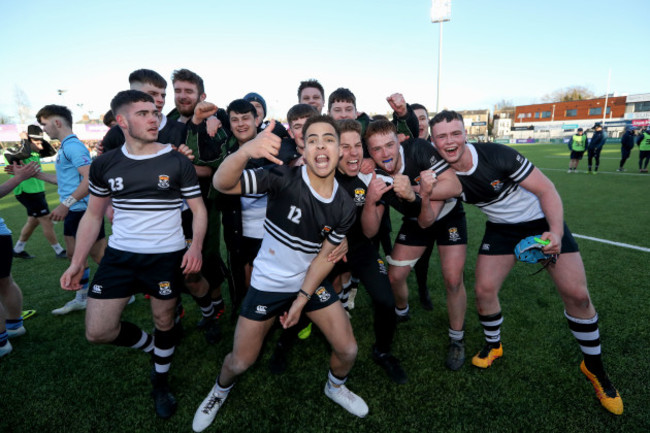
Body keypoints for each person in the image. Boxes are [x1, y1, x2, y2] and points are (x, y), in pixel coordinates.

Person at [429, 109, 623, 415]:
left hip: (540, 222)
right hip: (501, 229)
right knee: (484, 290)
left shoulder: (498, 155)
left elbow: (547, 189)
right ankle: (494, 345)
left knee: (578, 295)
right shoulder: (442, 173)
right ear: (434, 141)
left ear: (466, 134)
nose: (449, 141)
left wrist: (555, 233)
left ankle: (596, 369)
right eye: (442, 136)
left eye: (455, 133)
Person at [192, 115, 367, 433]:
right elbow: (221, 183)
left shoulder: (344, 205)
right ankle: (220, 390)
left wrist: (301, 299)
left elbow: (325, 258)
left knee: (348, 349)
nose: (320, 146)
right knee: (240, 362)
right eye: (312, 139)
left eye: (328, 139)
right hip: (267, 284)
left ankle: (335, 386)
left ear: (340, 149)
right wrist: (245, 152)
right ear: (303, 146)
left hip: (308, 283)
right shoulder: (283, 175)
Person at [60, 90, 207, 419]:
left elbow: (198, 210)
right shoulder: (105, 164)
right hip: (120, 256)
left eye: (155, 112)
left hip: (165, 256)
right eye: (143, 113)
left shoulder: (176, 160)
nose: (153, 118)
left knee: (164, 319)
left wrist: (194, 246)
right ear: (122, 121)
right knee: (98, 331)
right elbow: (94, 215)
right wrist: (77, 261)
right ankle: (153, 348)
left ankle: (161, 379)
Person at [364, 119, 467, 370]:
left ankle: (457, 339)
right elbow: (373, 229)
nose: (385, 154)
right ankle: (402, 311)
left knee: (453, 279)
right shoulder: (372, 173)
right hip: (415, 219)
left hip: (447, 216)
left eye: (389, 145)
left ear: (398, 141)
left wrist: (415, 191)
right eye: (376, 149)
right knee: (395, 276)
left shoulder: (418, 149)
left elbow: (454, 185)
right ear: (369, 152)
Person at [34, 104, 107, 315]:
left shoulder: (73, 147)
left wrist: (66, 204)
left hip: (83, 210)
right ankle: (82, 297)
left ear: (57, 122)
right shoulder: (66, 147)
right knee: (77, 255)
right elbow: (66, 181)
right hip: (78, 209)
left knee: (98, 256)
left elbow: (90, 177)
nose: (44, 129)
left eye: (45, 124)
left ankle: (125, 291)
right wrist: (35, 174)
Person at [5, 125, 66, 260]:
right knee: (46, 220)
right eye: (37, 143)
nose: (41, 146)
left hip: (38, 190)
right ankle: (59, 250)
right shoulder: (14, 150)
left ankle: (18, 249)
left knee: (33, 221)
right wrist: (25, 140)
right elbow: (23, 154)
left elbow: (51, 151)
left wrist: (38, 139)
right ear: (28, 140)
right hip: (26, 192)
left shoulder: (36, 150)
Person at [0, 161, 41, 358]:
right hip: (1, 234)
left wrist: (19, 178)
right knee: (5, 281)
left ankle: (1, 343)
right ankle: (14, 327)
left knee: (5, 282)